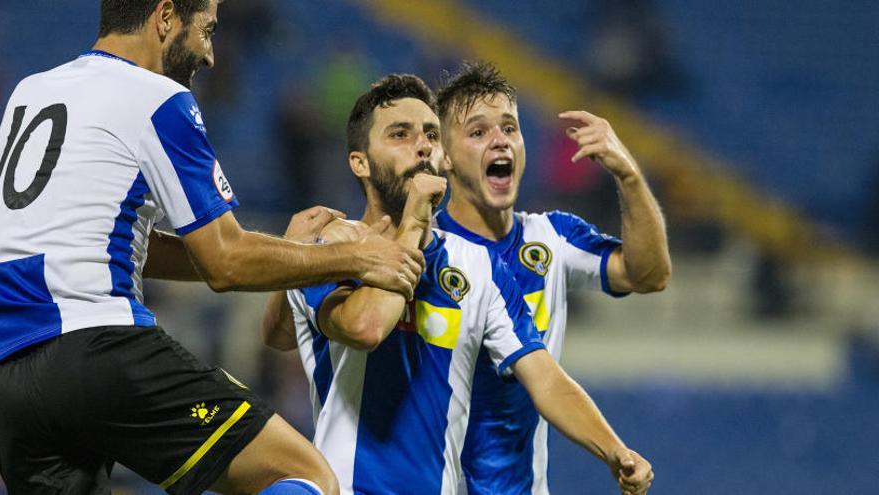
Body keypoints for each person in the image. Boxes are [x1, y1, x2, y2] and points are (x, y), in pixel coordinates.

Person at [0, 1, 426, 494]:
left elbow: (124, 245)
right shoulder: (154, 96)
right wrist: (360, 256)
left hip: (10, 375)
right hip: (98, 349)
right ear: (165, 17)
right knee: (302, 475)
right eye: (208, 30)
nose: (211, 56)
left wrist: (277, 253)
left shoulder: (32, 92)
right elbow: (226, 264)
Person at [261, 73, 654, 495]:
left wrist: (615, 451)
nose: (422, 145)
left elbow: (545, 378)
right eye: (400, 134)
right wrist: (409, 223)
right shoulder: (329, 245)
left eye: (430, 134)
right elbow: (364, 326)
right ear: (360, 162)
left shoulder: (479, 266)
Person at [434, 61, 671, 494]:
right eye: (478, 131)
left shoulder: (552, 238)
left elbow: (649, 275)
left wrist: (629, 176)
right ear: (443, 156)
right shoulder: (423, 251)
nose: (500, 139)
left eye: (509, 127)